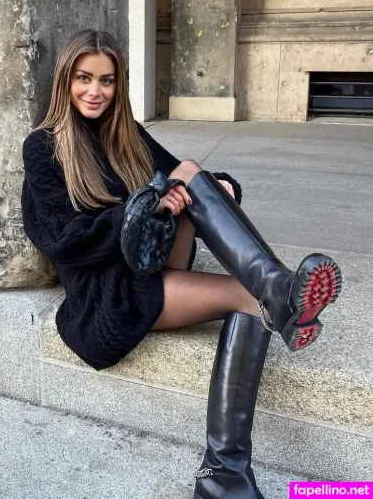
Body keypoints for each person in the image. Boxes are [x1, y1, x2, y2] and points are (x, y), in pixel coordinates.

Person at [21, 30, 342, 499]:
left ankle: (277, 289)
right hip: (105, 292)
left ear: (118, 84)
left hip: (148, 261)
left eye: (107, 80)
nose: (95, 91)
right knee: (250, 296)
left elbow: (180, 175)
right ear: (65, 80)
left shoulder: (126, 133)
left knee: (190, 172)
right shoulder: (44, 147)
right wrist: (145, 208)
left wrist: (219, 187)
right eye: (84, 78)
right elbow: (63, 242)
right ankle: (223, 473)